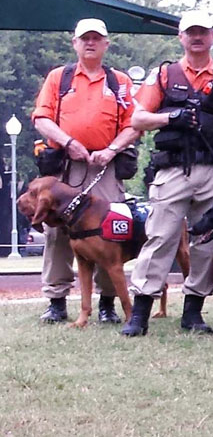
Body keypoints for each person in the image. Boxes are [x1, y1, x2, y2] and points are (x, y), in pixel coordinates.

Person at [121, 12, 213, 337]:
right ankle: (140, 313)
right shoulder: (165, 75)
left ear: (212, 36)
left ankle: (193, 310)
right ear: (181, 37)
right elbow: (138, 119)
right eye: (190, 33)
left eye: (203, 32)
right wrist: (172, 118)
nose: (197, 38)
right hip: (172, 169)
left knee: (207, 242)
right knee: (160, 236)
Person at [31, 18, 139, 325]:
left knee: (108, 232)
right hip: (64, 165)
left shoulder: (119, 81)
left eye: (96, 38)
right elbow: (41, 119)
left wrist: (112, 149)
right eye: (85, 38)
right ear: (74, 43)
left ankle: (107, 302)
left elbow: (134, 124)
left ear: (106, 44)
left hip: (103, 168)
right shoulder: (59, 78)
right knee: (55, 232)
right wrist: (69, 142)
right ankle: (56, 300)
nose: (90, 43)